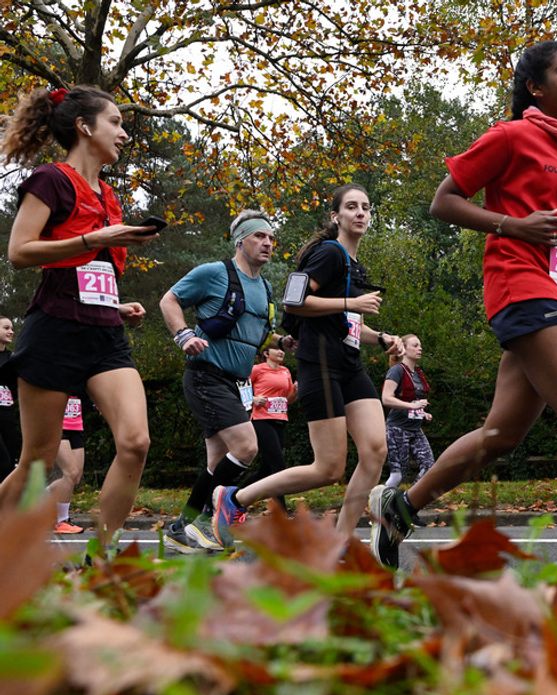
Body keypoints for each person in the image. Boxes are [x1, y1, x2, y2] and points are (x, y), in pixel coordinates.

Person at [368, 40, 557, 569]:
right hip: (518, 283)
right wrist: (515, 225)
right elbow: (443, 201)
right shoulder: (511, 137)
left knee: (501, 434)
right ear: (535, 86)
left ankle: (400, 505)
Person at [0, 85, 157, 548]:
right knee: (36, 461)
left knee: (136, 443)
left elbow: (95, 274)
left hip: (105, 333)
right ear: (85, 127)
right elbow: (19, 252)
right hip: (54, 332)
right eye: (115, 122)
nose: (123, 133)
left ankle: (100, 561)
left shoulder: (109, 194)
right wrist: (93, 239)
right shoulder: (51, 179)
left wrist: (115, 303)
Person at [211, 185, 398, 544]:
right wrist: (349, 303)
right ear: (336, 217)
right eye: (352, 207)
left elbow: (348, 321)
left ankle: (340, 542)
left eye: (366, 208)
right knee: (328, 468)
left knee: (376, 450)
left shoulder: (354, 264)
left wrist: (384, 338)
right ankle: (234, 498)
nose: (360, 213)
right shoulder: (329, 253)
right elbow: (294, 302)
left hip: (349, 364)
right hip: (321, 364)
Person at [159, 209, 281, 553]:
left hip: (235, 384)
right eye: (260, 236)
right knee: (247, 447)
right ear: (240, 240)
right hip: (205, 377)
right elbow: (169, 299)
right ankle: (205, 521)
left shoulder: (266, 287)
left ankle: (180, 528)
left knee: (216, 463)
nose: (268, 243)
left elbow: (252, 336)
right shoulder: (215, 273)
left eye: (271, 238)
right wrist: (183, 335)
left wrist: (283, 343)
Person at [243, 345, 296, 512]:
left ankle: (233, 496)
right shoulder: (257, 369)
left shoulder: (286, 371)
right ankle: (280, 509)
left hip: (280, 420)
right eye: (277, 349)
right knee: (278, 465)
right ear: (266, 353)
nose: (281, 352)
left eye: (283, 350)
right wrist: (252, 399)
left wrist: (296, 391)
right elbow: (239, 386)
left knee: (266, 469)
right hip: (262, 420)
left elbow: (287, 399)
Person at [381, 335, 435, 489]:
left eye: (420, 346)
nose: (420, 348)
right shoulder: (396, 371)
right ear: (404, 349)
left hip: (415, 429)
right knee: (398, 475)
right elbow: (386, 398)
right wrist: (412, 407)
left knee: (429, 466)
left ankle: (408, 500)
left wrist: (422, 412)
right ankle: (379, 505)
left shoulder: (418, 373)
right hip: (397, 429)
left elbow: (413, 400)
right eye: (416, 345)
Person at [49, 396, 86, 534]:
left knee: (75, 477)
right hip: (56, 425)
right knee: (71, 472)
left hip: (76, 425)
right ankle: (61, 521)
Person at [0, 316, 20, 481]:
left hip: (9, 419)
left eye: (12, 328)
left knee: (10, 466)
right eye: (6, 328)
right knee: (3, 462)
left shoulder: (14, 359)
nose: (11, 331)